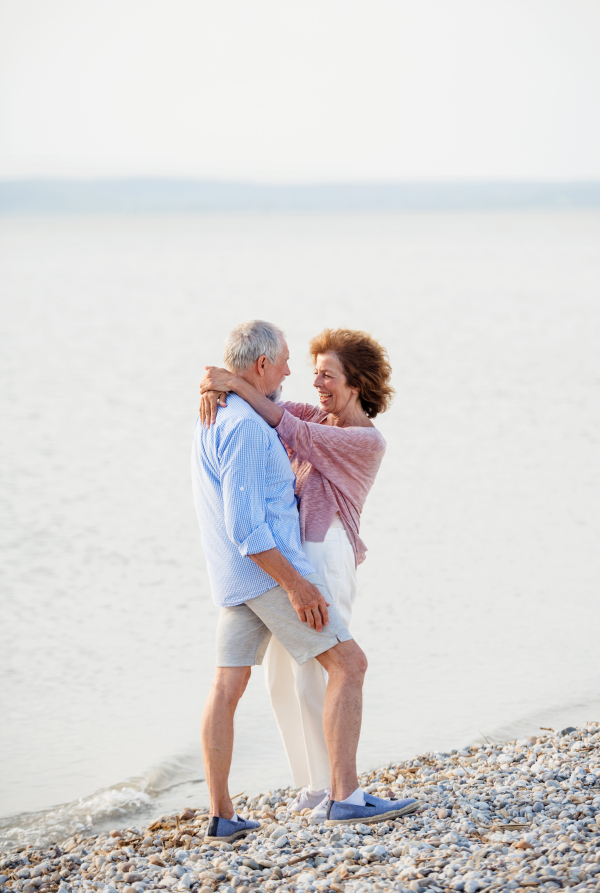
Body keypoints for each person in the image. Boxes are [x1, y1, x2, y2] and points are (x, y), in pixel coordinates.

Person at [196, 322, 416, 837]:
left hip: (321, 554)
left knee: (325, 670)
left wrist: (227, 382)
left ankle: (335, 789)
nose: (313, 383)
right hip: (282, 561)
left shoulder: (365, 440)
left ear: (355, 384)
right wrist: (216, 381)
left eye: (326, 375)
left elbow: (283, 424)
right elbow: (275, 414)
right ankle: (316, 786)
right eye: (311, 372)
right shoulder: (311, 417)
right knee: (281, 678)